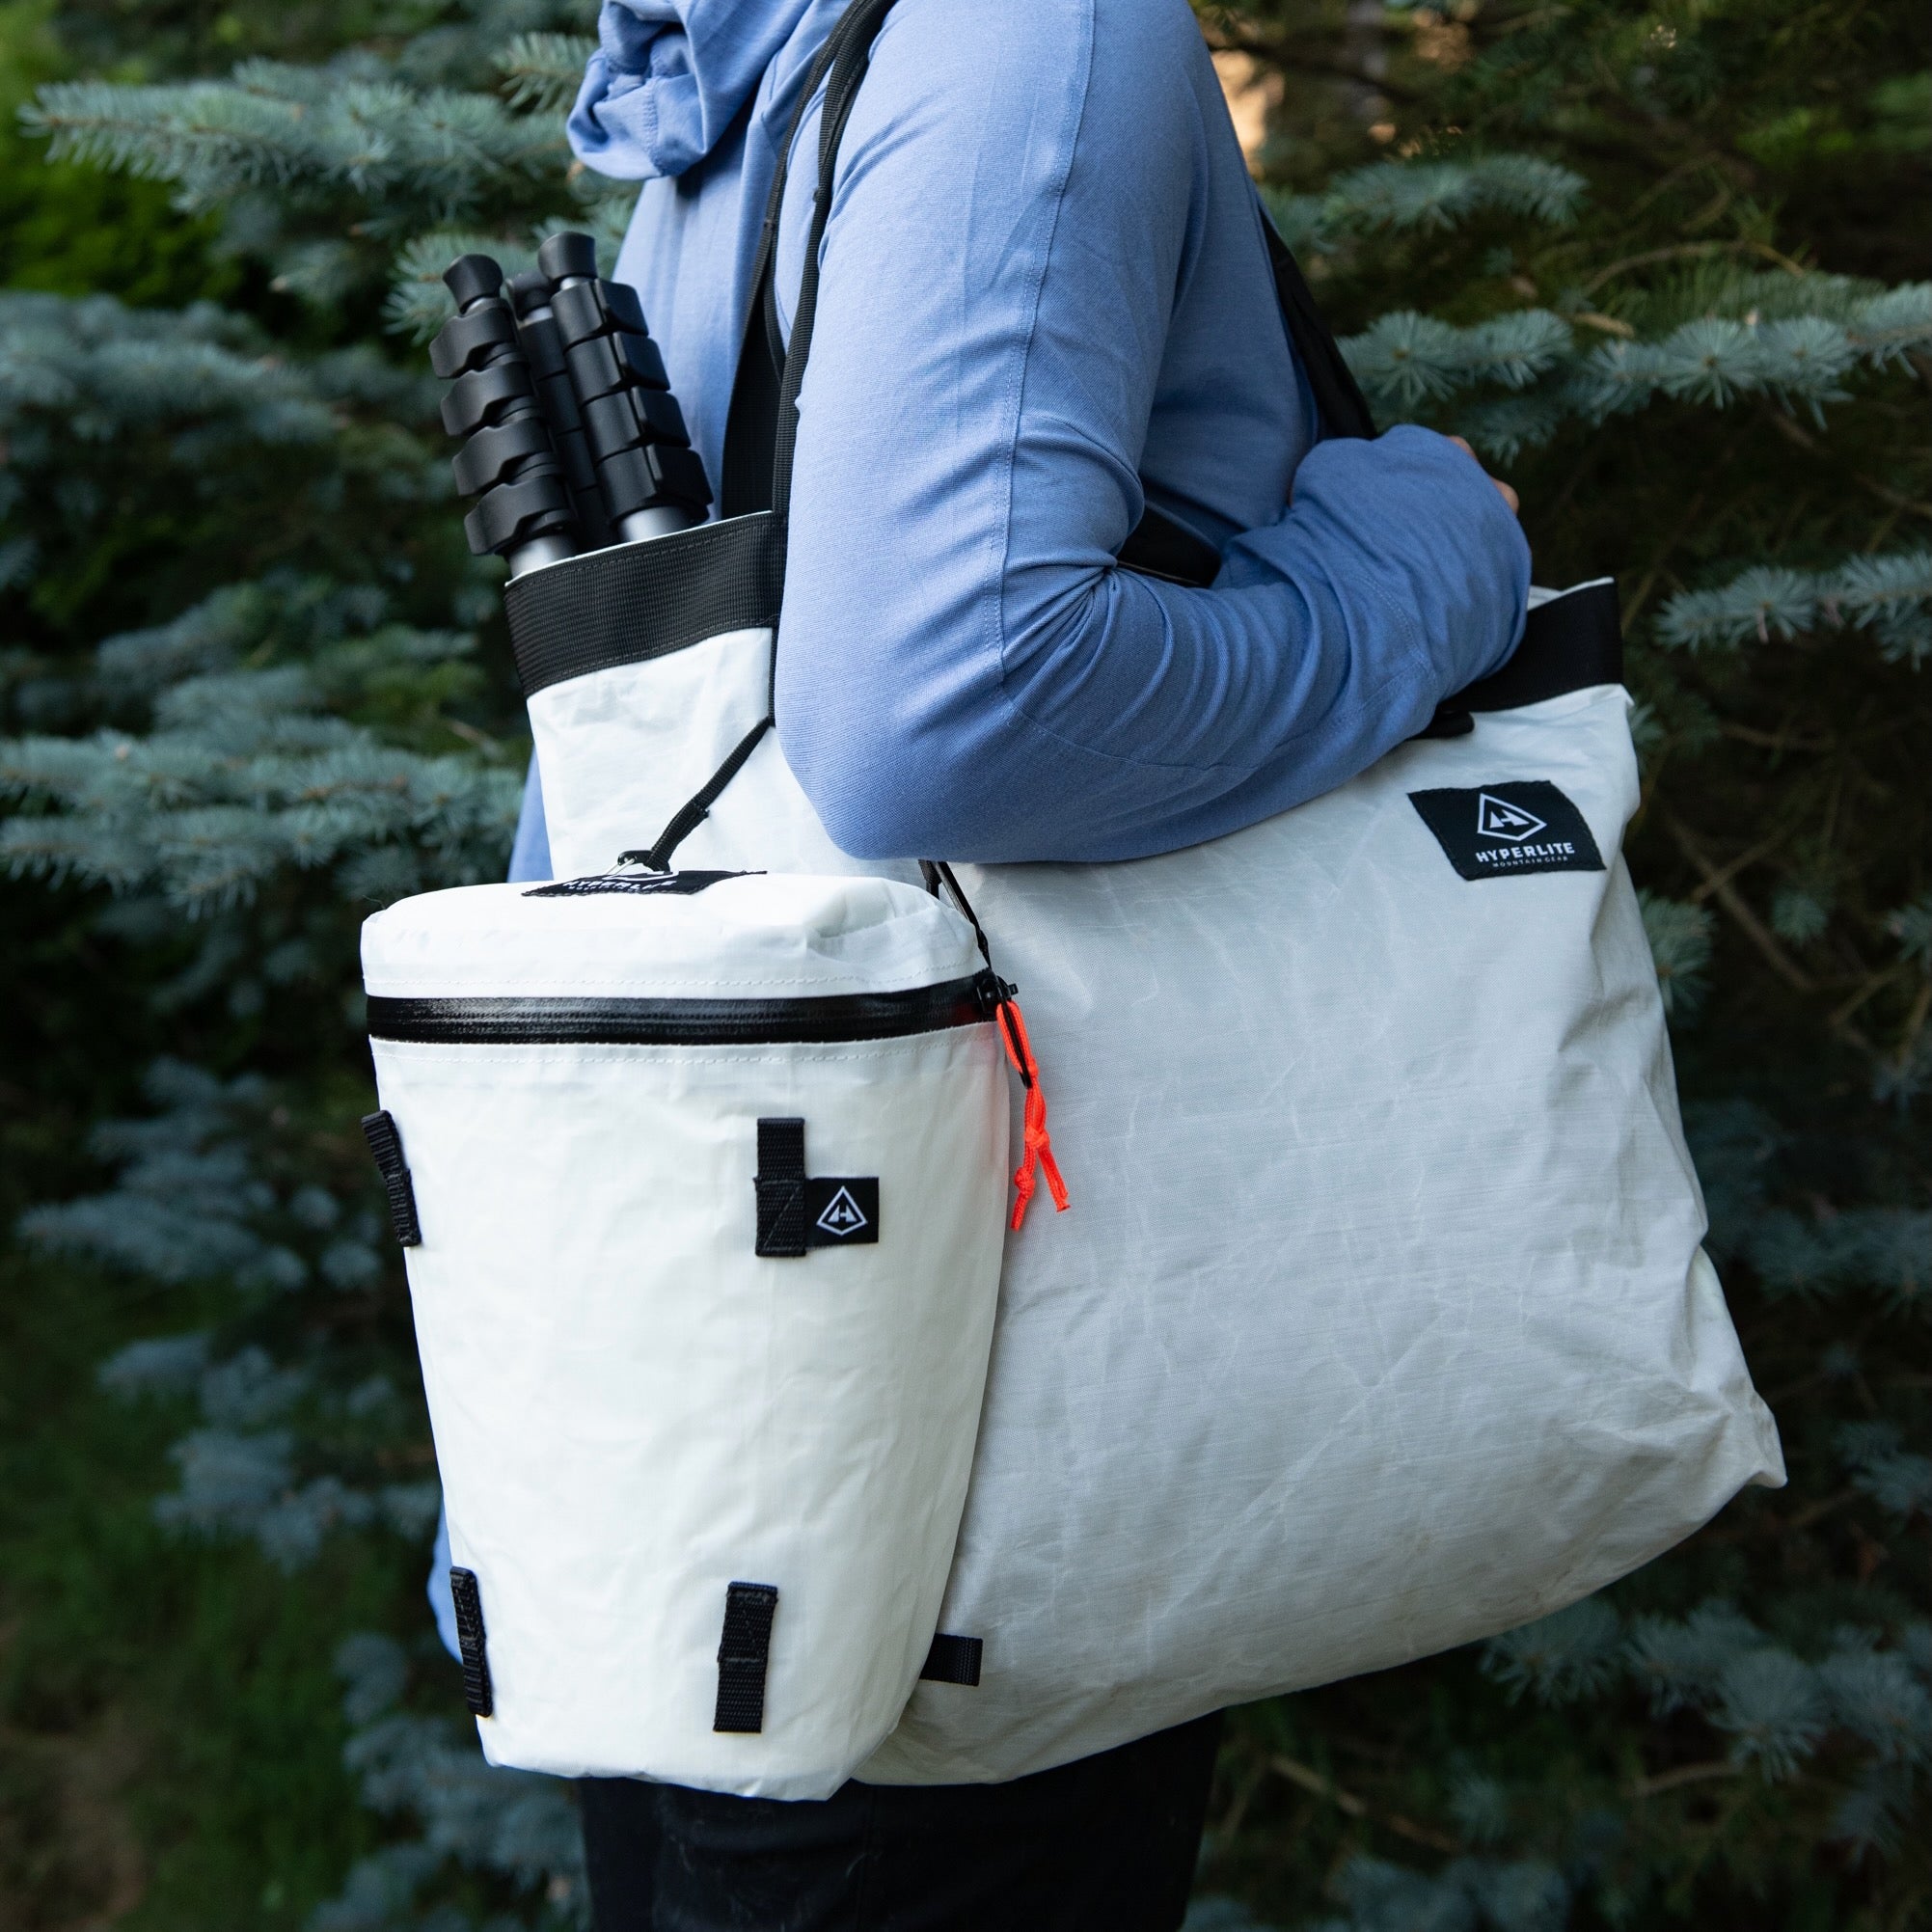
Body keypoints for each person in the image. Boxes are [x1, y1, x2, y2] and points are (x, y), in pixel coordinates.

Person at [455, 0, 1528, 1922]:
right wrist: (1426, 564)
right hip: (928, 1492)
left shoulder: (727, 85)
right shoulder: (1016, 31)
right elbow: (947, 711)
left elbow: (669, 789)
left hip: (686, 1438)